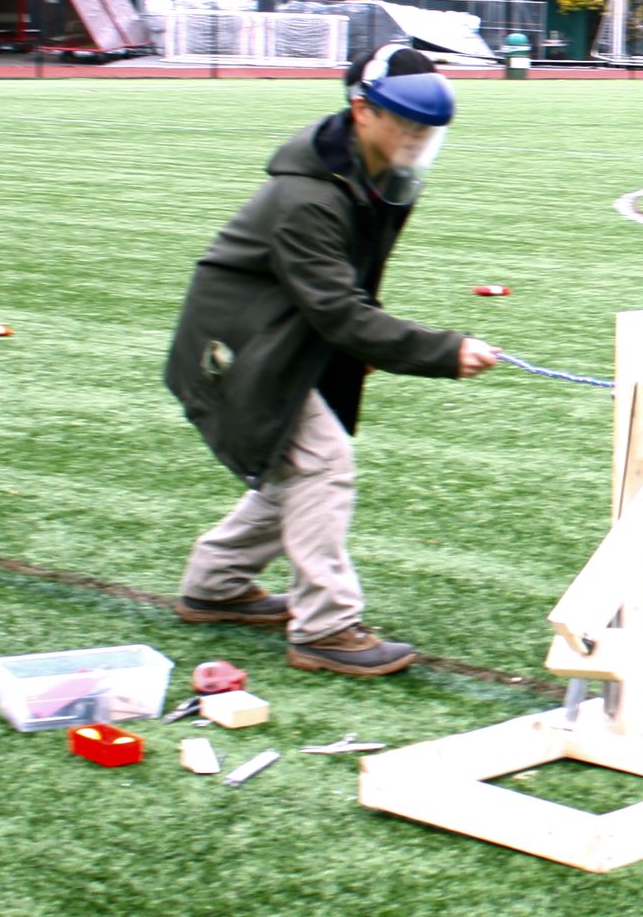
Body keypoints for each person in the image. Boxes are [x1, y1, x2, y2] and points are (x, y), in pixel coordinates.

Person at [165, 43, 497, 676]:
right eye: (405, 122)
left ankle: (215, 583)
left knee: (294, 465)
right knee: (322, 461)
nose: (416, 139)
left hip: (275, 336)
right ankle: (325, 627)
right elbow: (339, 311)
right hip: (232, 351)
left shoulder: (369, 173)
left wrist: (357, 349)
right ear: (360, 110)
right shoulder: (308, 197)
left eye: (427, 130)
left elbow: (342, 295)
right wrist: (444, 350)